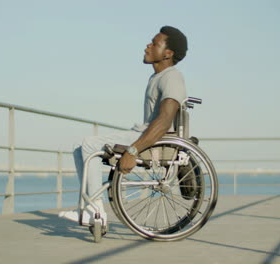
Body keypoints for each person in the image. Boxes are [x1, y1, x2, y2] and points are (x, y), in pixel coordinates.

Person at [59, 26, 188, 226]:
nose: (148, 45)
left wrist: (133, 150)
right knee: (79, 147)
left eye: (155, 43)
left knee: (89, 145)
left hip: (154, 138)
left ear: (168, 54)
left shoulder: (172, 77)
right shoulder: (157, 77)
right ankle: (90, 209)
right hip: (144, 133)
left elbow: (164, 120)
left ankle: (95, 212)